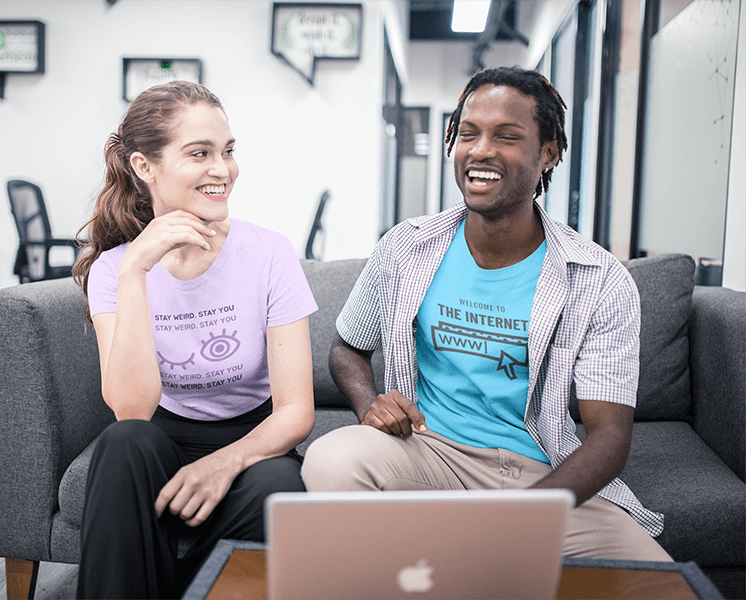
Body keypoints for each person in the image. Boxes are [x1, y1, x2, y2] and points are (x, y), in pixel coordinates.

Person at [301, 66, 672, 562]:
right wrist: (370, 404)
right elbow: (347, 348)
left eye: (507, 136)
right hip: (428, 454)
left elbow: (609, 435)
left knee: (655, 579)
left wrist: (521, 519)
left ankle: (451, 550)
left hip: (539, 476)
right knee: (330, 461)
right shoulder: (407, 246)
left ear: (548, 154)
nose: (480, 151)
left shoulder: (598, 279)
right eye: (468, 134)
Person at [72, 81, 317, 599]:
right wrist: (137, 268)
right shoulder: (116, 270)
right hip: (159, 437)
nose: (222, 170)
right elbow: (132, 409)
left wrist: (223, 463)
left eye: (228, 152)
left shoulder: (269, 254)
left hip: (251, 438)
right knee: (121, 444)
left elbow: (296, 411)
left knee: (281, 489)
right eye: (199, 154)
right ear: (145, 167)